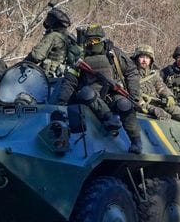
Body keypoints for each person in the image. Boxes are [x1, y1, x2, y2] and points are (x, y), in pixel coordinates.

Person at [55, 24, 143, 154]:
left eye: (95, 40)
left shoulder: (113, 54)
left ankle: (136, 141)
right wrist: (61, 102)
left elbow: (131, 72)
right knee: (86, 92)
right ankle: (109, 119)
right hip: (91, 99)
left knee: (125, 104)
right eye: (89, 40)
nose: (92, 43)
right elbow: (70, 80)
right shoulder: (81, 57)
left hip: (112, 94)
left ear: (102, 39)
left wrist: (134, 94)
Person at [131, 45, 180, 133]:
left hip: (156, 101)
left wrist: (169, 96)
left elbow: (161, 86)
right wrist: (151, 108)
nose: (144, 60)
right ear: (136, 58)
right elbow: (133, 96)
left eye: (147, 58)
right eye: (142, 57)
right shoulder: (130, 73)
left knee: (172, 107)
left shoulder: (153, 73)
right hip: (142, 104)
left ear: (151, 60)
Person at [24, 7, 81, 78]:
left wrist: (22, 65)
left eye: (49, 20)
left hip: (49, 78)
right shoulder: (70, 37)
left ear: (54, 22)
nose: (47, 22)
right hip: (64, 77)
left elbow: (36, 56)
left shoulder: (53, 36)